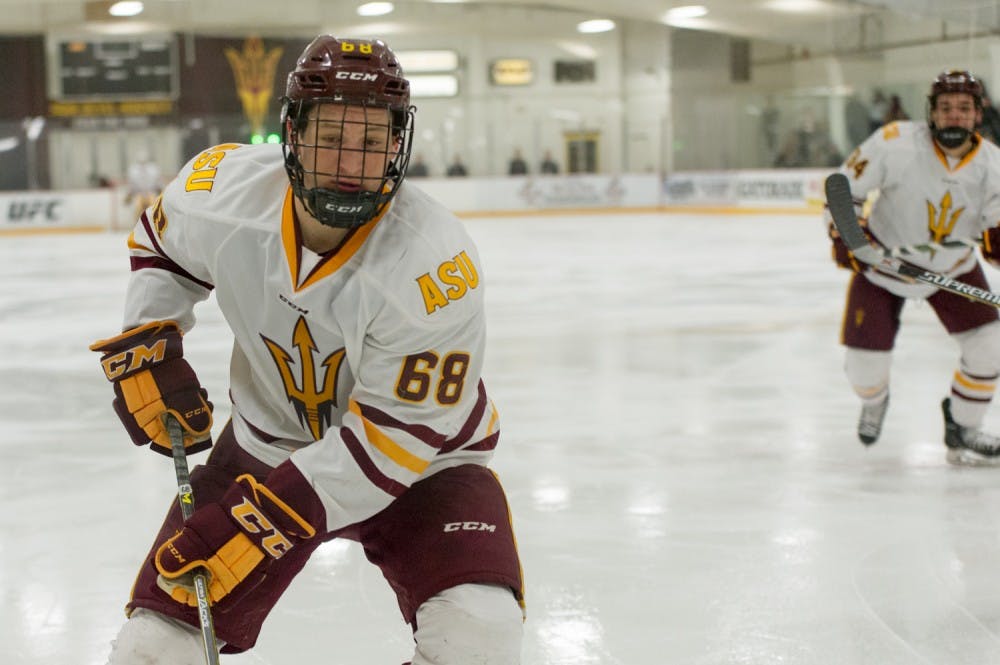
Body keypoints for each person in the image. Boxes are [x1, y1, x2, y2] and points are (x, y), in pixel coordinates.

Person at [91, 35, 525, 664]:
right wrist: (151, 341)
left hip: (427, 467)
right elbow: (163, 246)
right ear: (292, 135)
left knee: (480, 636)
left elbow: (393, 442)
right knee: (151, 650)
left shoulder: (435, 265)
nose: (351, 162)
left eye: (372, 142)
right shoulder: (222, 193)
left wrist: (262, 523)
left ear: (397, 147)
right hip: (266, 447)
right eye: (331, 137)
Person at [825, 69, 1000, 464]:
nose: (954, 115)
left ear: (977, 114)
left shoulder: (995, 165)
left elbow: (997, 228)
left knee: (991, 348)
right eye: (945, 107)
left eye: (964, 108)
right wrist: (847, 235)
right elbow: (844, 189)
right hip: (882, 268)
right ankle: (875, 401)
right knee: (864, 371)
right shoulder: (894, 142)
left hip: (953, 269)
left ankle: (963, 428)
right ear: (931, 112)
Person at [125, 150, 163, 218]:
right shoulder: (133, 170)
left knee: (153, 209)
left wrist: (162, 193)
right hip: (139, 194)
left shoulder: (154, 169)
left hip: (151, 193)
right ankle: (139, 222)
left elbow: (158, 183)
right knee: (138, 208)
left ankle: (152, 222)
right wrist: (129, 195)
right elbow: (131, 185)